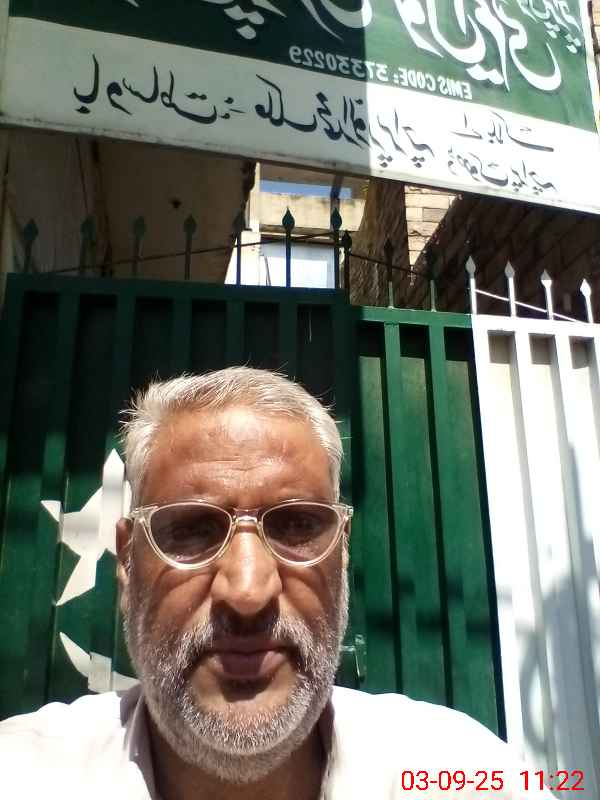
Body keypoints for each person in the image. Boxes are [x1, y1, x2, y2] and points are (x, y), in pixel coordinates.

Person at [0, 368, 552, 800]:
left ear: (343, 551)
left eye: (297, 526)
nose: (247, 592)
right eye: (191, 530)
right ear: (127, 561)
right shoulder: (22, 775)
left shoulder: (466, 773)